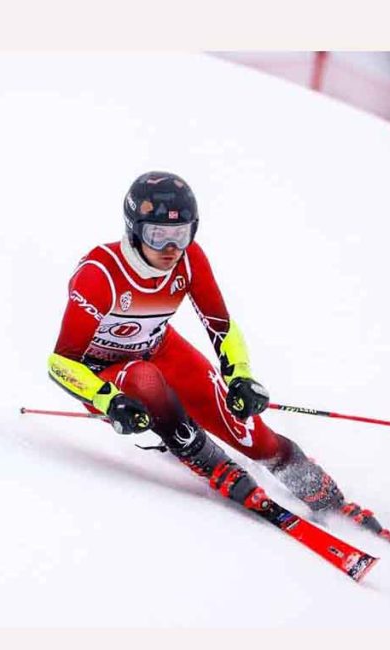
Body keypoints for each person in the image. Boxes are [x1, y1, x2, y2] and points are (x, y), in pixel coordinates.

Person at [47, 171, 350, 513]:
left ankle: (325, 497)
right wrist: (108, 402)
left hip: (160, 350)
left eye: (181, 234)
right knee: (145, 380)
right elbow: (61, 363)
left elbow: (221, 326)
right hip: (105, 376)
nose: (171, 248)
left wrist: (240, 377)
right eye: (157, 235)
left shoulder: (189, 260)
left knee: (249, 432)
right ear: (134, 230)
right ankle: (212, 463)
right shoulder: (100, 274)